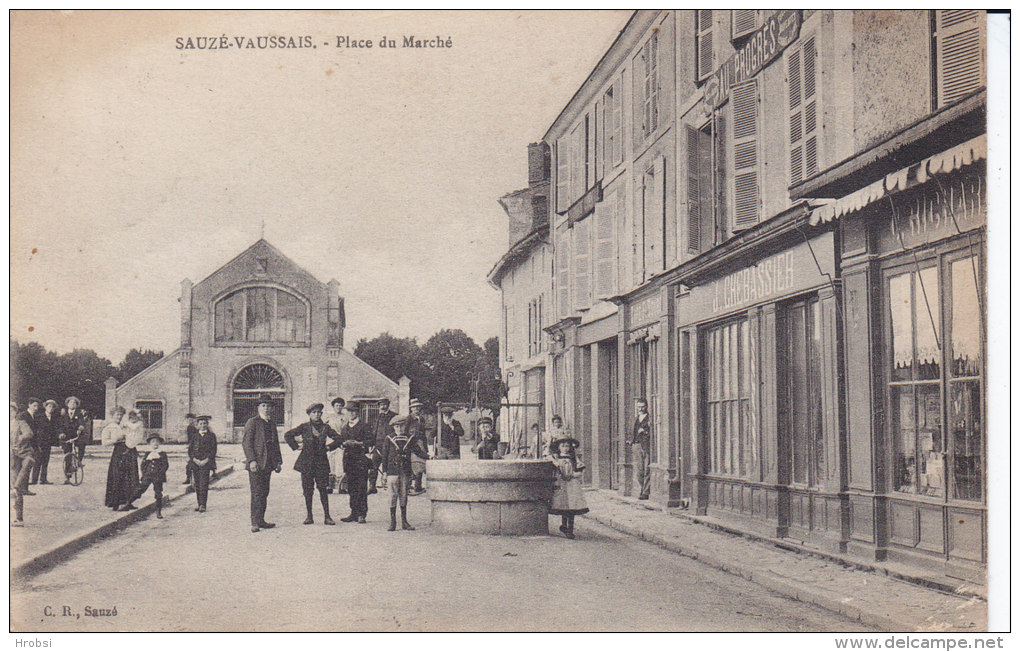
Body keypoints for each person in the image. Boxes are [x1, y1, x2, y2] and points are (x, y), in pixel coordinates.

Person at [284, 403, 341, 525]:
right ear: (309, 414)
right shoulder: (304, 427)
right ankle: (309, 516)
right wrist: (296, 446)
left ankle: (327, 516)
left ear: (321, 414)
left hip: (321, 463)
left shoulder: (326, 428)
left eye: (319, 412)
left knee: (323, 489)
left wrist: (329, 447)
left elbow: (339, 438)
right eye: (314, 412)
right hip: (306, 463)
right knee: (307, 490)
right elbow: (288, 435)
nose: (316, 415)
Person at [379, 413, 429, 531]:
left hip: (405, 471)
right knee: (392, 495)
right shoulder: (389, 439)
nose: (399, 429)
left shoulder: (409, 438)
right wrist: (384, 472)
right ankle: (392, 522)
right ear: (393, 427)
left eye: (401, 426)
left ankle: (404, 521)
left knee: (403, 495)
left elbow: (417, 451)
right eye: (397, 427)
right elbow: (385, 456)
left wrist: (428, 456)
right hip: (392, 471)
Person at [242, 395, 283, 533]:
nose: (266, 409)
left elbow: (275, 444)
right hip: (256, 464)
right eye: (263, 406)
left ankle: (261, 520)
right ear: (259, 407)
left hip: (268, 464)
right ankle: (254, 522)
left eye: (268, 406)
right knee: (256, 493)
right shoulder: (252, 422)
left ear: (271, 408)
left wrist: (278, 461)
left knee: (265, 492)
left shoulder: (271, 423)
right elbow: (247, 443)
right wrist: (251, 460)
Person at [337, 402, 373, 523]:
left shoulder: (365, 426)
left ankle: (362, 514)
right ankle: (353, 512)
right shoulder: (345, 426)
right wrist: (343, 444)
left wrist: (357, 443)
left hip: (361, 460)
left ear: (358, 412)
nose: (351, 413)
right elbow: (341, 441)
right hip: (349, 461)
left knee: (361, 487)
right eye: (349, 411)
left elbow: (370, 442)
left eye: (353, 411)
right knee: (351, 487)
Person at [548, 437, 589, 539]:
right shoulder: (556, 459)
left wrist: (572, 475)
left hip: (571, 484)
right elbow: (552, 470)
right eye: (563, 446)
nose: (565, 448)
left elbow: (580, 471)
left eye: (567, 446)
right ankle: (564, 525)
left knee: (571, 505)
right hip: (561, 483)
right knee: (563, 504)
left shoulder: (574, 458)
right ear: (558, 447)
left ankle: (570, 529)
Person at [103, 407, 140, 511]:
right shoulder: (110, 427)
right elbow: (104, 443)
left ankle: (128, 502)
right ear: (112, 416)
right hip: (118, 453)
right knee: (118, 477)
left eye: (120, 415)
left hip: (130, 452)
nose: (119, 417)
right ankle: (116, 503)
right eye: (117, 415)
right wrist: (115, 440)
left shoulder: (125, 425)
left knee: (130, 477)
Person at [11, 401, 36, 526]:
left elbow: (29, 433)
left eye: (11, 411)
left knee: (28, 464)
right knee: (17, 489)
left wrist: (21, 437)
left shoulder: (21, 423)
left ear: (15, 412)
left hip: (25, 454)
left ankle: (15, 487)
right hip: (11, 459)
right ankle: (18, 518)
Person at [133, 433, 169, 519]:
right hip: (148, 476)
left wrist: (160, 473)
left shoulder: (162, 454)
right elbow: (143, 465)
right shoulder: (148, 453)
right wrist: (144, 473)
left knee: (158, 493)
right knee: (140, 489)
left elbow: (165, 465)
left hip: (158, 476)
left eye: (157, 442)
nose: (155, 443)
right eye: (153, 442)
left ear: (159, 443)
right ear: (150, 444)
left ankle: (158, 511)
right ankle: (129, 503)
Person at [188, 415, 217, 513]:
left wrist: (206, 460)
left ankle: (203, 504)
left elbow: (213, 450)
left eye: (205, 423)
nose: (203, 425)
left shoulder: (211, 436)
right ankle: (199, 503)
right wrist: (194, 459)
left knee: (204, 483)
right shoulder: (194, 436)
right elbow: (190, 450)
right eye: (201, 423)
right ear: (197, 425)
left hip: (206, 463)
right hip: (196, 463)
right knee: (197, 484)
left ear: (207, 424)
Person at [368, 398, 397, 492]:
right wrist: (372, 444)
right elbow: (374, 431)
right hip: (378, 444)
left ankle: (390, 486)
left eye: (384, 404)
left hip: (389, 444)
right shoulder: (377, 416)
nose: (383, 407)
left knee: (389, 465)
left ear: (388, 405)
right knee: (373, 465)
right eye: (381, 405)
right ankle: (372, 486)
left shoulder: (394, 416)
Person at [60, 396, 89, 484]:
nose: (72, 404)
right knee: (67, 456)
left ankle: (79, 460)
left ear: (76, 405)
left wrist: (81, 427)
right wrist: (61, 433)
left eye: (74, 403)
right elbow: (60, 425)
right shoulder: (63, 414)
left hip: (77, 435)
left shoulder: (79, 413)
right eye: (70, 403)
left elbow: (81, 422)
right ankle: (67, 477)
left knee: (82, 445)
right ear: (67, 404)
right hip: (67, 436)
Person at [627, 398, 651, 500]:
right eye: (639, 407)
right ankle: (642, 488)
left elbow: (653, 432)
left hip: (646, 446)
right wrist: (630, 440)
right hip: (636, 445)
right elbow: (631, 431)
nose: (641, 409)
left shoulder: (650, 418)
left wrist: (645, 431)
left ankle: (645, 492)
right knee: (639, 470)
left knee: (647, 469)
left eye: (643, 407)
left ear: (646, 407)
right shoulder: (635, 418)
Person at [30, 399, 59, 485]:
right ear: (45, 407)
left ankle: (43, 479)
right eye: (49, 406)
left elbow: (54, 430)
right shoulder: (39, 417)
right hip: (40, 442)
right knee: (37, 461)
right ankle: (34, 480)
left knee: (46, 461)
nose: (51, 408)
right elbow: (35, 430)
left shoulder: (54, 418)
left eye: (52, 407)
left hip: (48, 443)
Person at [17, 398, 41, 494]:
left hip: (32, 444)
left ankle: (24, 488)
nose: (36, 408)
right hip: (25, 444)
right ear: (29, 405)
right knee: (24, 466)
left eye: (37, 406)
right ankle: (22, 488)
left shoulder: (34, 416)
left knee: (28, 466)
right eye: (34, 405)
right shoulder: (23, 416)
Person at [325, 398, 347, 494]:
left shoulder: (345, 418)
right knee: (330, 463)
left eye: (340, 405)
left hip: (340, 442)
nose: (338, 407)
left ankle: (341, 487)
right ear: (333, 407)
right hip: (330, 441)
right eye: (336, 405)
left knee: (340, 463)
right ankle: (329, 486)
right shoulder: (328, 417)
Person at [407, 399, 428, 494]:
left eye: (418, 407)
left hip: (421, 443)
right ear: (411, 409)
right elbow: (405, 432)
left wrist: (425, 446)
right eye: (414, 407)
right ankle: (408, 486)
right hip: (412, 443)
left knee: (421, 462)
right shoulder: (409, 419)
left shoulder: (421, 419)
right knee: (412, 464)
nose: (417, 409)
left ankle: (418, 486)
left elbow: (423, 433)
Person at [182, 413, 199, 485]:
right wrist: (189, 445)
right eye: (188, 419)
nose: (190, 421)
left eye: (191, 419)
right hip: (192, 447)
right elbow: (190, 438)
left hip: (196, 447)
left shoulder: (195, 428)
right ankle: (188, 478)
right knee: (190, 464)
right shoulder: (189, 427)